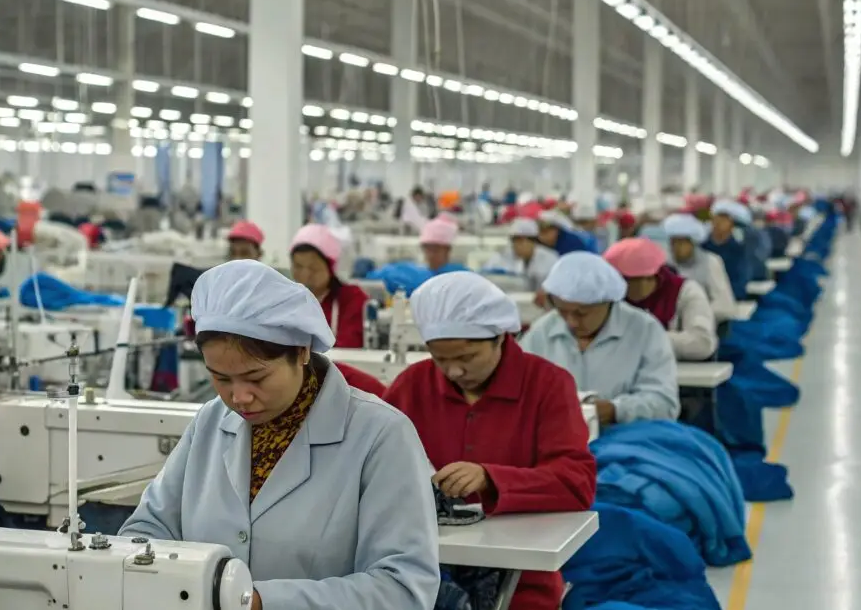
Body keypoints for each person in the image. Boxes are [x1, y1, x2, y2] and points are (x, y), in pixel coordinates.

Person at [118, 261, 440, 610]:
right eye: (221, 379)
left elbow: (403, 589)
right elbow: (149, 529)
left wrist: (259, 601)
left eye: (256, 378)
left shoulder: (380, 436)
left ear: (301, 351)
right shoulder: (211, 421)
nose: (239, 397)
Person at [383, 272, 596, 610]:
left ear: (501, 338)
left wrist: (490, 479)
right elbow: (372, 466)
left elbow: (576, 482)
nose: (454, 371)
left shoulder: (548, 385)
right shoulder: (411, 386)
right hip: (420, 570)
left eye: (466, 358)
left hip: (521, 579)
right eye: (440, 358)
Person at [520, 252, 679, 425]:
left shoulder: (644, 330)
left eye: (581, 313)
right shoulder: (542, 332)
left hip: (626, 436)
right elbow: (516, 386)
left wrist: (615, 410)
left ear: (607, 302)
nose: (571, 321)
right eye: (562, 311)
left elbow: (665, 403)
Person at [603, 237, 717, 361]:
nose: (639, 286)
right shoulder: (608, 297)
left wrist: (643, 339)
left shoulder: (686, 291)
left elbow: (702, 343)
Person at [289, 224, 371, 348]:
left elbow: (349, 345)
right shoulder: (287, 300)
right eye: (298, 266)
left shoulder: (351, 298)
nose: (305, 275)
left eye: (313, 268)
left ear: (331, 268)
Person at [662, 213, 737, 322]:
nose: (677, 247)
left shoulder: (711, 262)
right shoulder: (665, 263)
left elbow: (725, 306)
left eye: (681, 242)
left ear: (692, 243)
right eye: (673, 242)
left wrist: (695, 314)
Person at [487, 218, 559, 291]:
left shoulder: (550, 258)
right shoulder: (499, 257)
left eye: (528, 239)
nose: (523, 244)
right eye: (517, 240)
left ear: (535, 242)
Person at [702, 200, 750, 301]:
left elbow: (740, 283)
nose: (719, 223)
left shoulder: (738, 250)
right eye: (717, 218)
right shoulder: (703, 247)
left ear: (732, 224)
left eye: (724, 219)